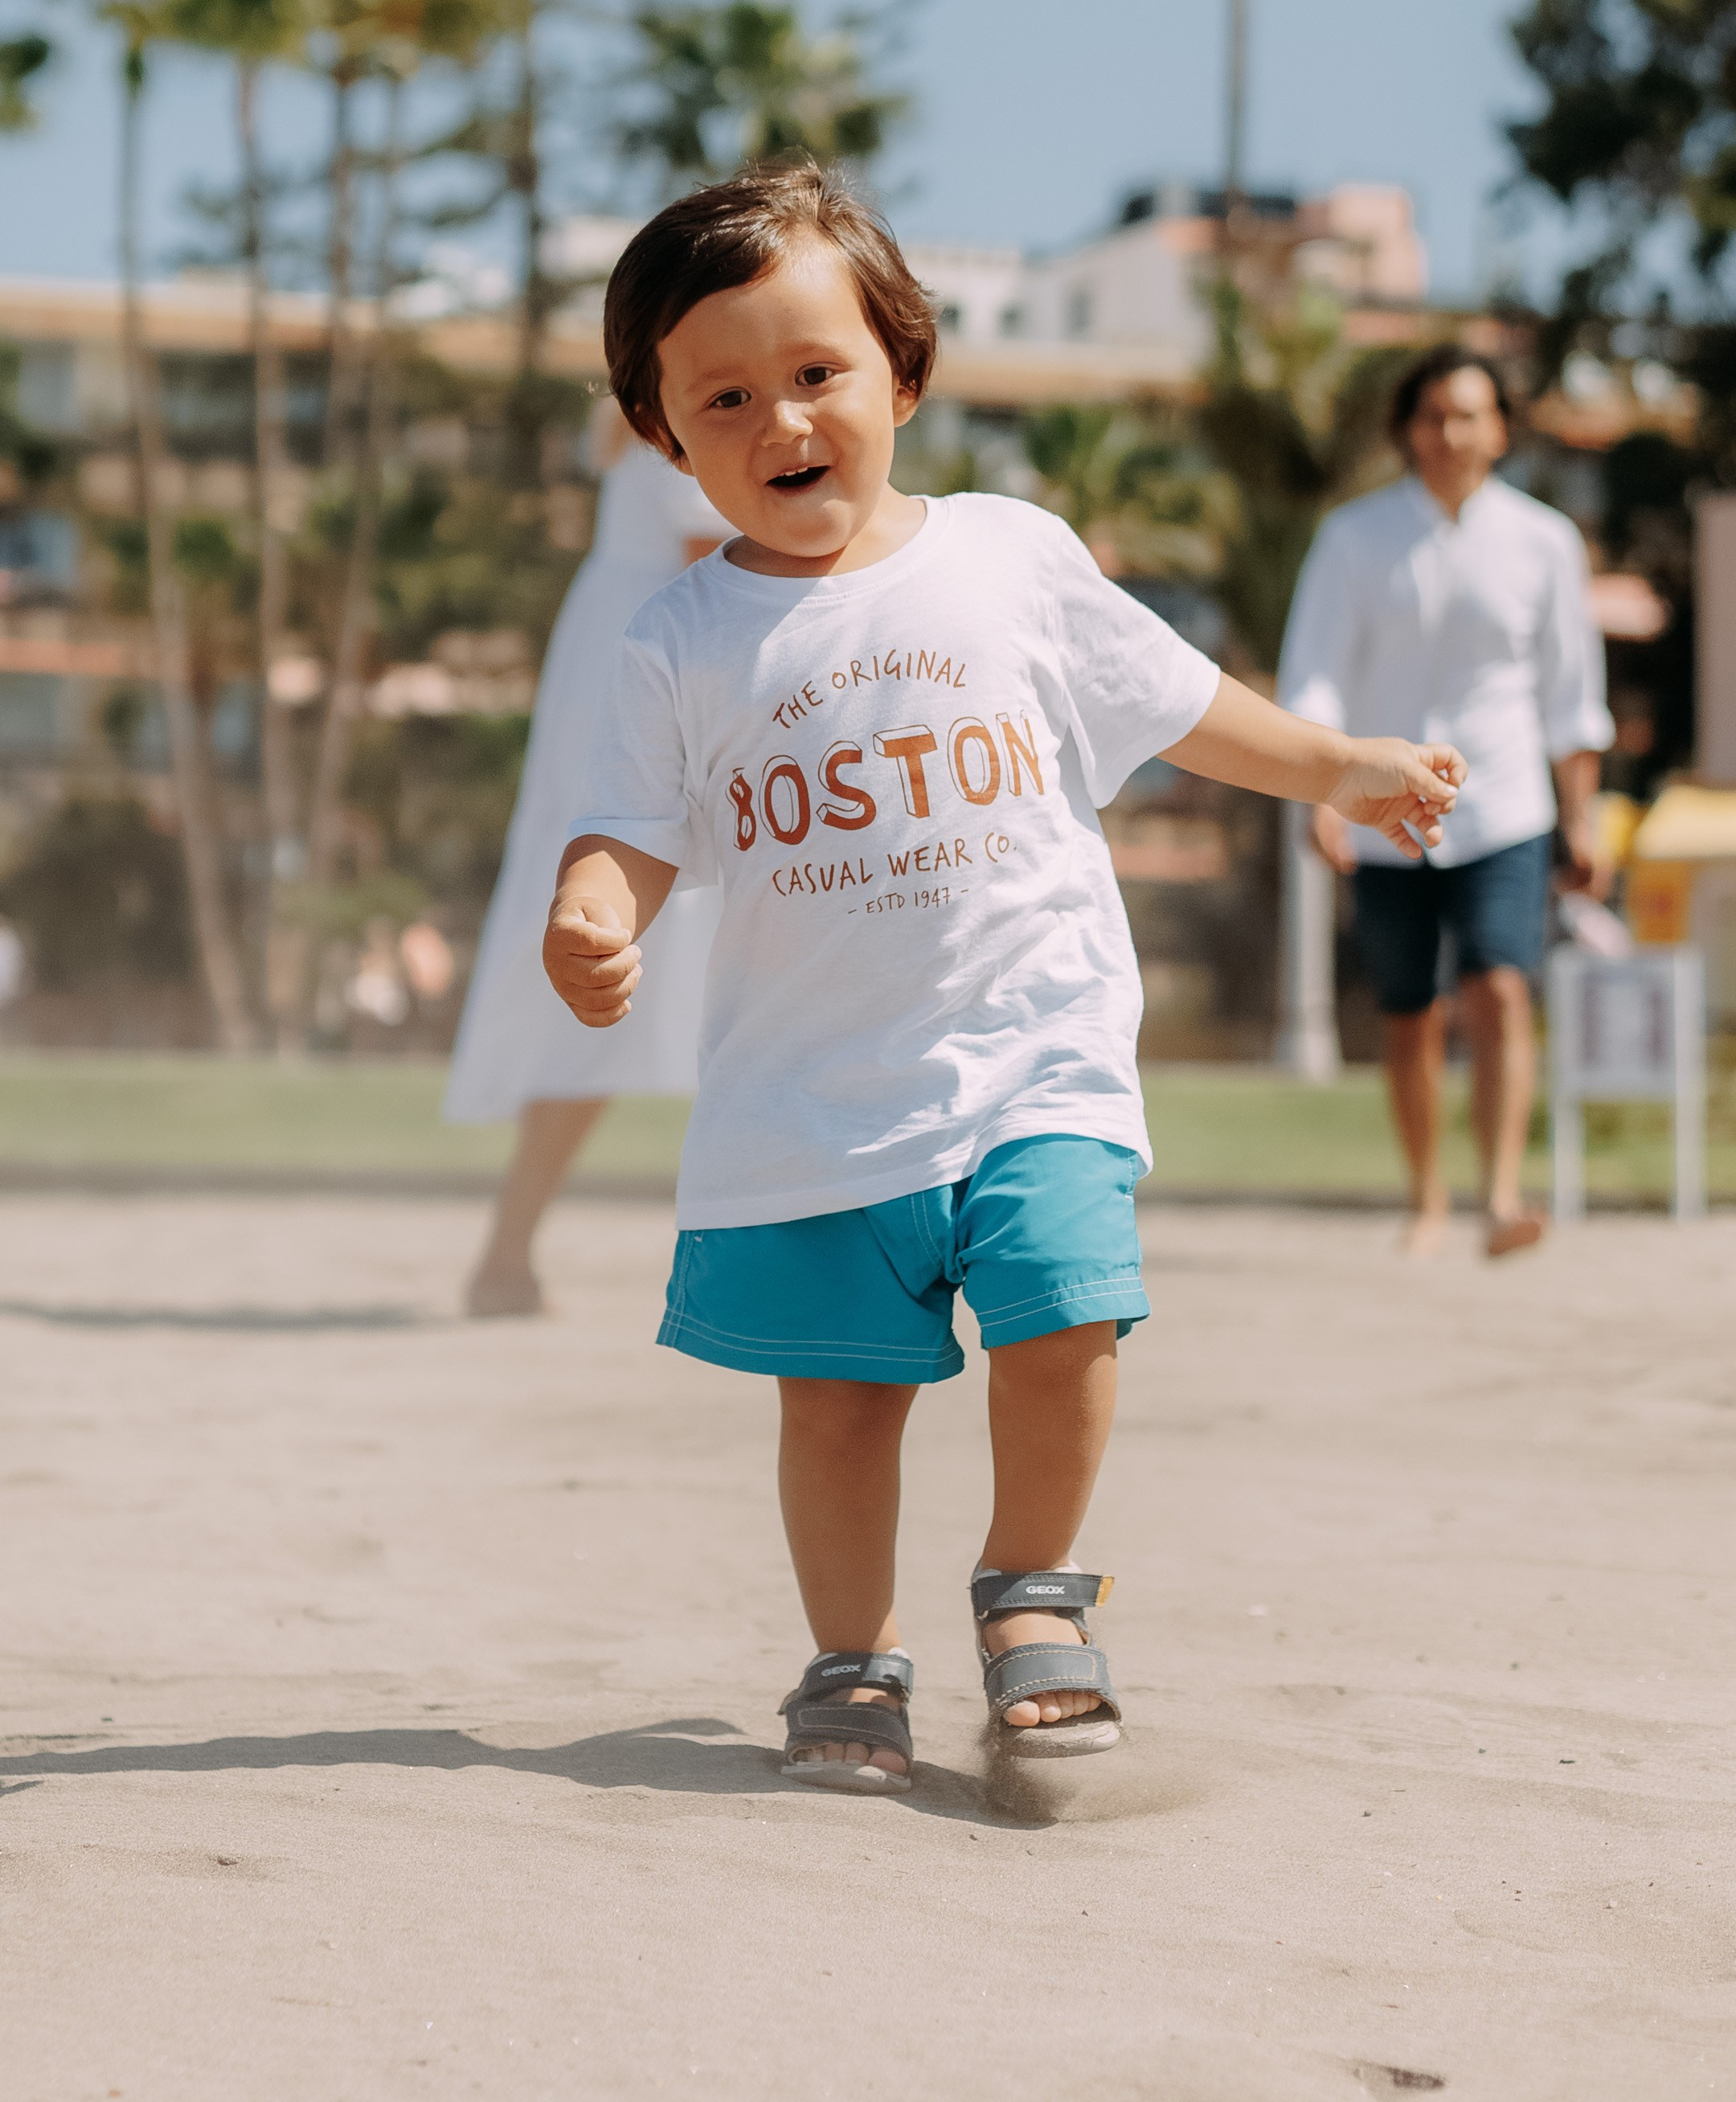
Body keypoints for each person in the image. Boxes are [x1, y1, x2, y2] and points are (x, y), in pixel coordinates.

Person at [542, 166, 1464, 1791]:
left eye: (817, 374)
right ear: (661, 429)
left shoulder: (1008, 557)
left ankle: (1031, 1593)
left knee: (1070, 1318)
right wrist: (592, 911)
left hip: (1037, 1058)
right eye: (726, 397)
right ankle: (852, 1664)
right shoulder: (678, 639)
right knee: (836, 1409)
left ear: (901, 369)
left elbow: (1175, 701)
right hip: (816, 1103)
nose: (783, 422)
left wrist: (1335, 767)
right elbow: (632, 829)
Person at [1278, 346, 1614, 1260]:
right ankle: (1427, 1196)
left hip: (1508, 807)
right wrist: (1318, 795)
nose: (1452, 432)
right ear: (1407, 430)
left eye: (1471, 414)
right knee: (1409, 1009)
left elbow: (1570, 695)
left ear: (1501, 429)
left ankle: (1501, 1195)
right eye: (1434, 415)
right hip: (1387, 817)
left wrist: (1580, 817)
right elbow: (1315, 674)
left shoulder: (1545, 541)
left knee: (1503, 988)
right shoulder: (1354, 537)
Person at [445, 400, 732, 1316]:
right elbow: (716, 582)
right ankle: (509, 1255)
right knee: (670, 962)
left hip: (616, 670)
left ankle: (508, 1252)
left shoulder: (640, 415)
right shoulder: (685, 420)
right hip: (662, 688)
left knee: (630, 969)